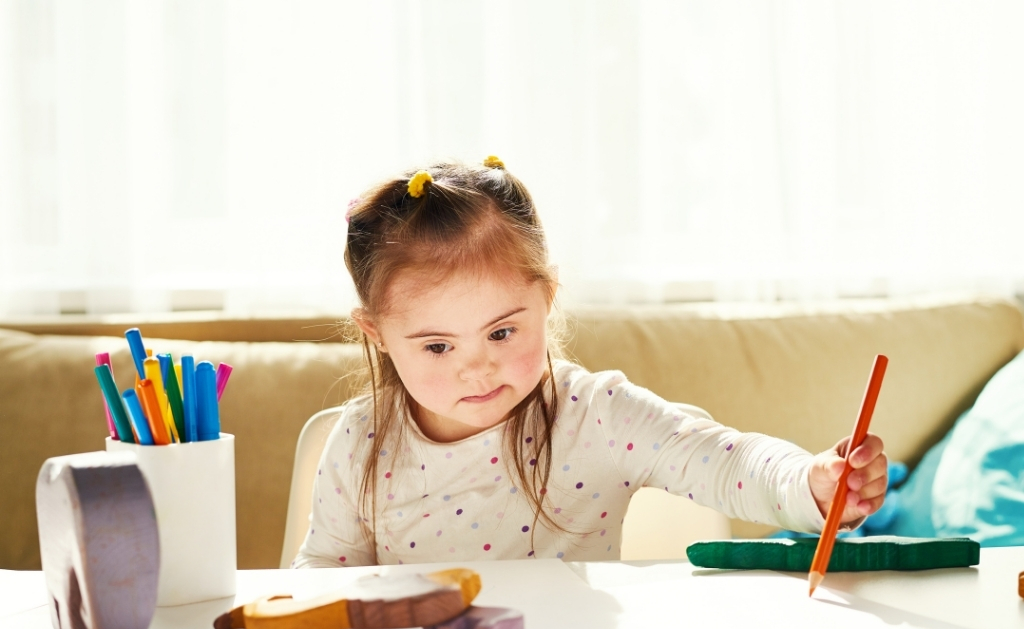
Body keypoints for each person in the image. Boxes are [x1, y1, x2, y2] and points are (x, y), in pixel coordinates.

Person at [293, 157, 888, 568]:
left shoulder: (596, 416)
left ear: (547, 299)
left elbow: (725, 462)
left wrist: (811, 481)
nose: (477, 371)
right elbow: (324, 573)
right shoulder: (361, 440)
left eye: (502, 332)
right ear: (375, 334)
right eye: (438, 346)